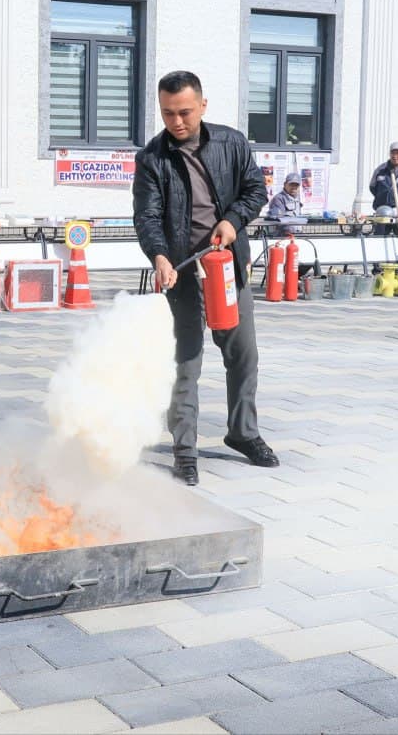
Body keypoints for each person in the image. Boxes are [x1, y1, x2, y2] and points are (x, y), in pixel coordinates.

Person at [133, 70, 278, 486]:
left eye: (185, 113)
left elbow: (255, 190)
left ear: (203, 106)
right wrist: (159, 256)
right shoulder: (152, 159)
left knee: (243, 354)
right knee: (186, 364)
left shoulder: (231, 143)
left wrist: (232, 222)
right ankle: (184, 450)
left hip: (228, 267)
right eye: (167, 114)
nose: (176, 122)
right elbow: (146, 216)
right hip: (181, 274)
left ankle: (243, 433)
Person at [267, 171, 305, 236]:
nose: (294, 187)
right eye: (291, 184)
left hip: (297, 235)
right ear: (285, 184)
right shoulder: (278, 199)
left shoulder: (297, 198)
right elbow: (278, 220)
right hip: (283, 237)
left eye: (296, 185)